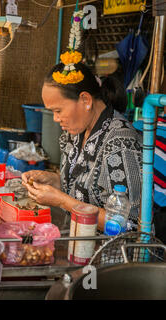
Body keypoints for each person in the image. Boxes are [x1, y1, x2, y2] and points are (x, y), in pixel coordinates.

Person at [21, 60, 143, 232]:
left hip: (114, 253)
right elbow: (83, 188)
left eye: (58, 111)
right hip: (80, 240)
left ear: (85, 100)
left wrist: (61, 200)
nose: (55, 119)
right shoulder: (77, 132)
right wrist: (54, 180)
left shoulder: (120, 143)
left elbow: (127, 225)